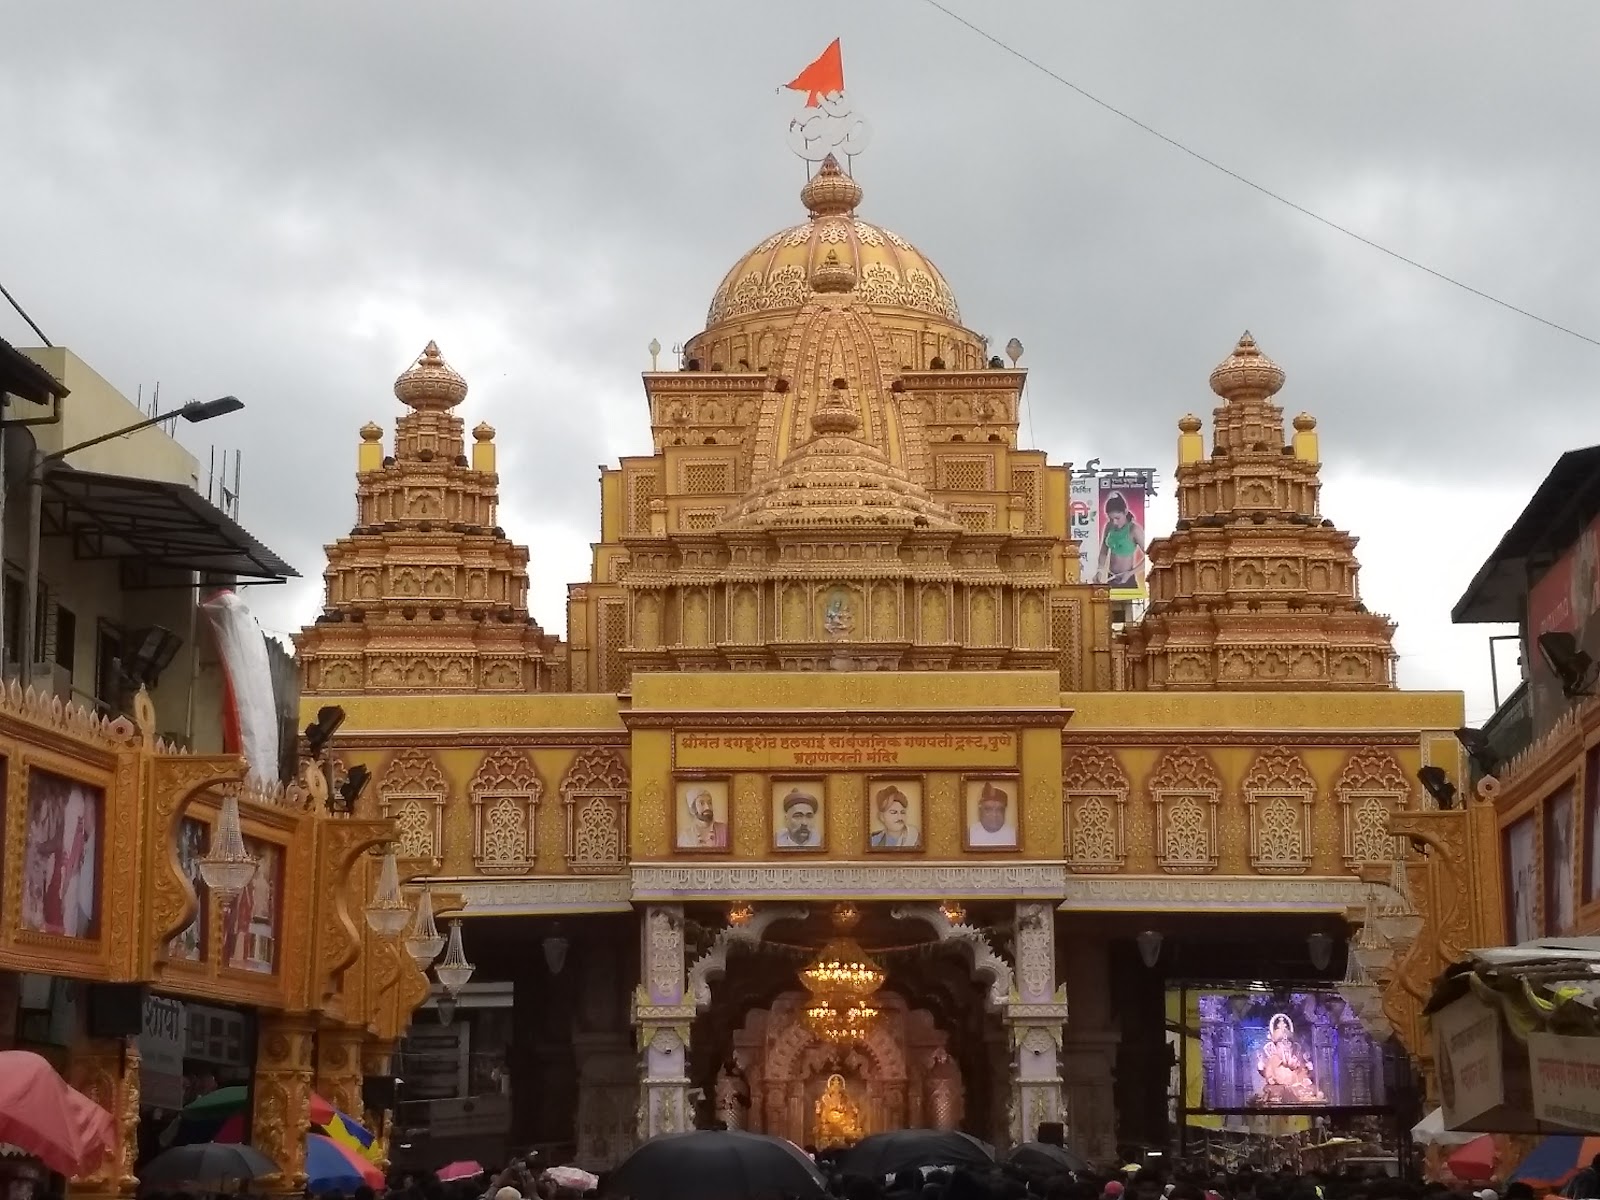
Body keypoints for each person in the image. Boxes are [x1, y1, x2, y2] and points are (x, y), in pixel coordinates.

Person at [1253, 1013, 1323, 1104]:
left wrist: (1308, 1070)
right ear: (1275, 1046)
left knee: (1310, 1089)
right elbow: (1268, 1075)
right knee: (1272, 1091)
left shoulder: (1296, 1058)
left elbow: (1303, 1075)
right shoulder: (1273, 1060)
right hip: (1278, 1089)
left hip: (1296, 1088)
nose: (1285, 1046)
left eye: (1288, 1044)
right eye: (1282, 1044)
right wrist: (1262, 1069)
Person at [1095, 490, 1145, 588]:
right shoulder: (1109, 527)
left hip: (1127, 578)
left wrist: (1130, 573)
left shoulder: (1134, 529)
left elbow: (1149, 557)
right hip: (1111, 577)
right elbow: (1103, 552)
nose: (1114, 522)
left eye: (1117, 518)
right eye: (1111, 519)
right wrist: (1100, 570)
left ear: (1125, 512)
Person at [967, 781, 1014, 847]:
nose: (994, 814)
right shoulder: (969, 835)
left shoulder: (1014, 835)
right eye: (988, 809)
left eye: (999, 810)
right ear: (980, 811)